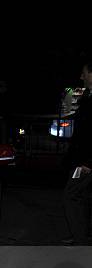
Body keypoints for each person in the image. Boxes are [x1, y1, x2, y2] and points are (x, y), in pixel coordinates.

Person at [63, 61, 92, 245]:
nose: (81, 77)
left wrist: (88, 162)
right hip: (83, 158)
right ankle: (82, 235)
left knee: (71, 195)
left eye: (84, 73)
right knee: (82, 196)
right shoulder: (87, 96)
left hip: (86, 161)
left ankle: (81, 240)